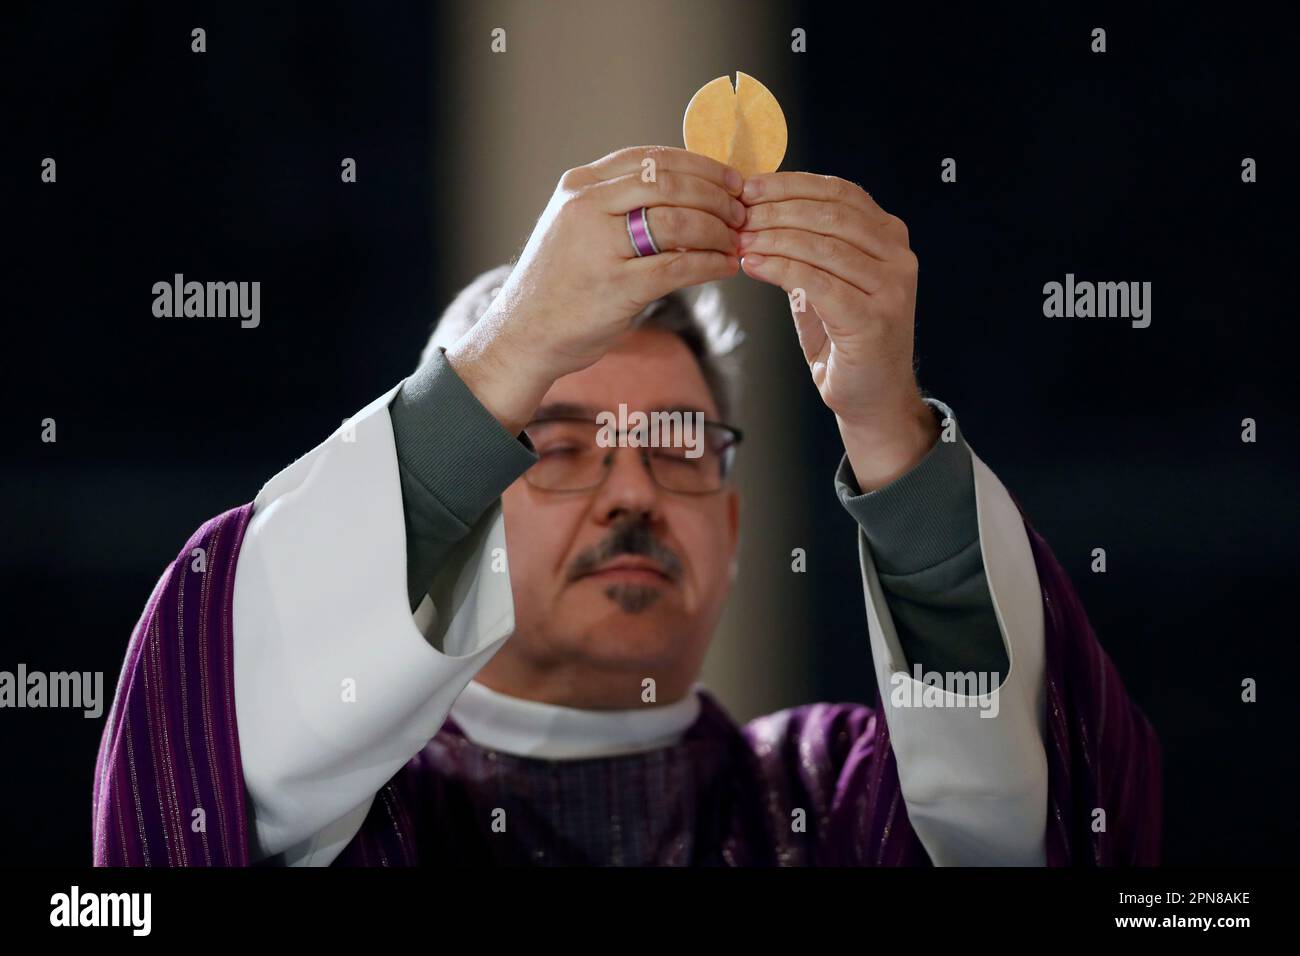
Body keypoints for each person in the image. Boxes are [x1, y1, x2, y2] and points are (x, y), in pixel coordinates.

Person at [93, 146, 1160, 867]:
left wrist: (886, 425)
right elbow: (200, 761)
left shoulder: (835, 806)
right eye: (560, 445)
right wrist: (511, 348)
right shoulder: (356, 829)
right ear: (452, 522)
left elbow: (1039, 820)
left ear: (733, 532)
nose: (634, 489)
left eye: (680, 447)